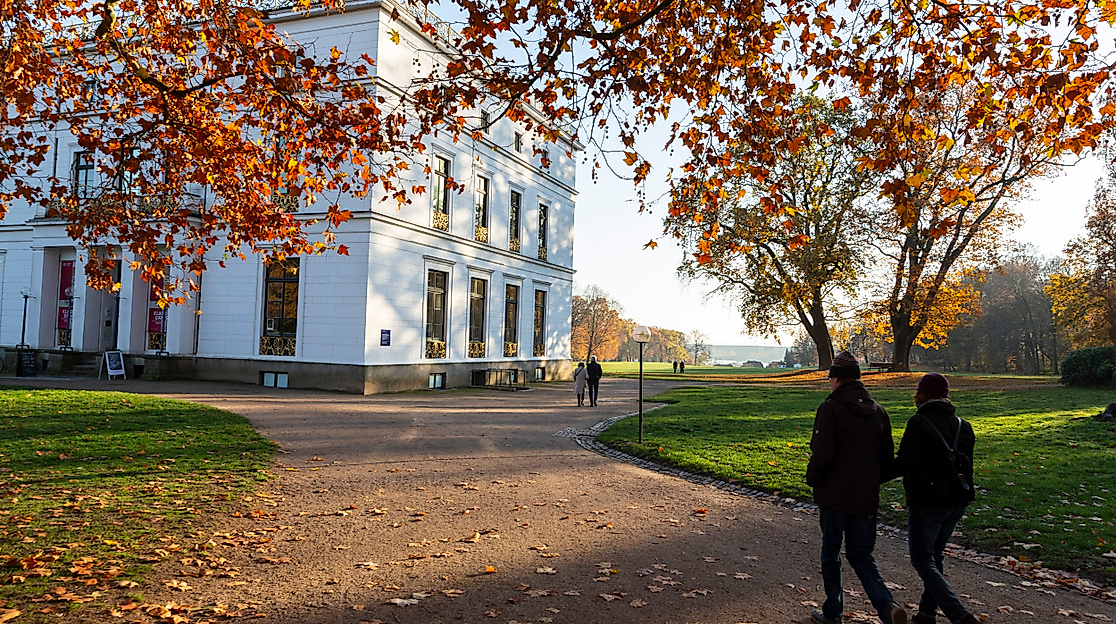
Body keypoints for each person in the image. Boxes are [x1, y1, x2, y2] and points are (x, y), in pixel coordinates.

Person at [806, 351, 907, 624]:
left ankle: (833, 611)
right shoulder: (879, 412)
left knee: (831, 554)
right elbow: (887, 460)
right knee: (862, 556)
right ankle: (887, 607)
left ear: (836, 379)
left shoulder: (830, 409)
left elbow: (822, 453)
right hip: (865, 499)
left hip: (834, 496)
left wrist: (812, 479)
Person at [895, 373, 978, 624]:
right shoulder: (964, 426)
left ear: (923, 394)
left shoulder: (918, 423)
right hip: (957, 500)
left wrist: (872, 475)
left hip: (928, 501)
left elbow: (904, 463)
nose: (915, 395)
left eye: (917, 391)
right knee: (936, 555)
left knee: (922, 558)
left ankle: (959, 614)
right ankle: (926, 614)